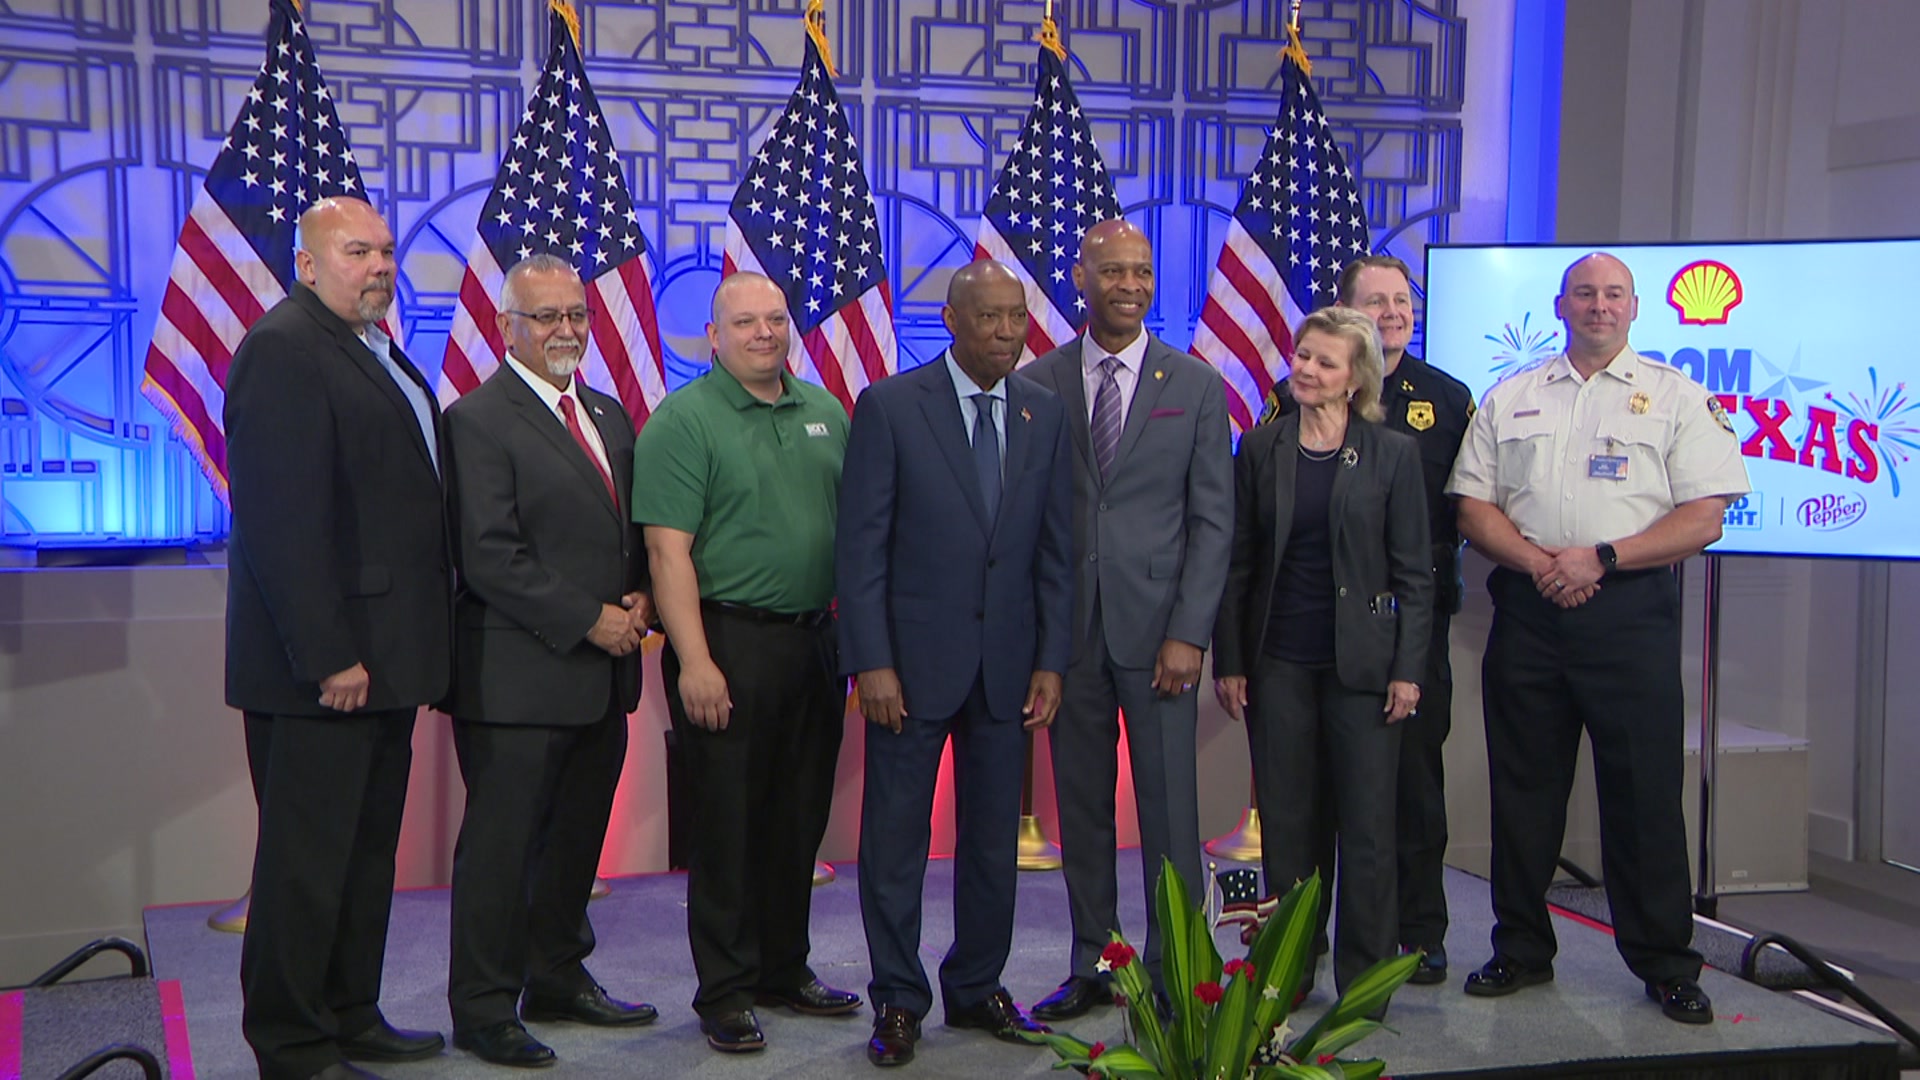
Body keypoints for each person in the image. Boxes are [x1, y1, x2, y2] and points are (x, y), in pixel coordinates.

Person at [1446, 252, 1749, 1024]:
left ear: (1635, 307)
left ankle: (1666, 963)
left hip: (1630, 615)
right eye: (1585, 292)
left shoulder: (1679, 398)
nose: (1599, 306)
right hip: (1529, 609)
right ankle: (1520, 948)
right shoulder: (1510, 395)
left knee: (1644, 796)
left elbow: (1704, 515)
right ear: (1561, 303)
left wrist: (1600, 559)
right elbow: (1474, 506)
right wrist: (1542, 563)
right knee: (1523, 791)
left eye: (1613, 294)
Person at [225, 196, 452, 1080]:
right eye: (358, 251)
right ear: (309, 266)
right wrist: (327, 655)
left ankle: (350, 1013)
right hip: (324, 670)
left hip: (388, 661)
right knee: (305, 870)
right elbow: (283, 525)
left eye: (387, 251)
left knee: (362, 860)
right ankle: (289, 1043)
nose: (380, 266)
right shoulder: (283, 349)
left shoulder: (372, 350)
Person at [837, 259, 1073, 1068]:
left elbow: (1055, 550)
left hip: (1008, 668)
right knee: (896, 840)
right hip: (909, 666)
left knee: (989, 843)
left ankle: (976, 986)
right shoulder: (893, 407)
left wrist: (1051, 658)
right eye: (991, 319)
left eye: (1017, 319)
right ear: (953, 321)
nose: (1008, 334)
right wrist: (871, 661)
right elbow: (861, 549)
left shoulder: (1044, 412)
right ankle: (899, 999)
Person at [631, 271, 860, 1055]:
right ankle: (725, 991)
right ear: (715, 336)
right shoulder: (683, 422)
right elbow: (667, 554)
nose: (765, 333)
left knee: (797, 819)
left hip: (815, 645)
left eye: (776, 319)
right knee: (727, 826)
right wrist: (693, 662)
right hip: (727, 642)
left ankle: (782, 969)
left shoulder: (827, 410)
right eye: (746, 323)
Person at [441, 255, 658, 1066]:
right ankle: (485, 1007)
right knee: (501, 853)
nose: (565, 330)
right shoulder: (475, 419)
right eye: (546, 317)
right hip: (516, 680)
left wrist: (639, 598)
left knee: (574, 843)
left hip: (604, 677)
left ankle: (558, 977)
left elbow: (626, 530)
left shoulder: (608, 411)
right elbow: (489, 555)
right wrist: (589, 620)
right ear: (507, 328)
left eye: (575, 315)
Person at [1021, 219, 1232, 1020]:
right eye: (1114, 272)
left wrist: (1190, 633)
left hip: (1160, 638)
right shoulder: (1038, 382)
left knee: (1171, 809)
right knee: (1082, 807)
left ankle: (1179, 967)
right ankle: (1095, 963)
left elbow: (1214, 523)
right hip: (1069, 636)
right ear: (1081, 278)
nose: (1131, 286)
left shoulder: (1196, 385)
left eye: (1143, 272)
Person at [1211, 306, 1432, 1000]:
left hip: (1365, 668)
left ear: (1354, 378)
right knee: (1289, 828)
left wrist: (1407, 671)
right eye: (1303, 356)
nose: (1305, 369)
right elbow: (1238, 562)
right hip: (1279, 662)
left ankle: (1364, 978)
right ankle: (1290, 969)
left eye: (1324, 362)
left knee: (1367, 830)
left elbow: (1415, 573)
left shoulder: (1393, 453)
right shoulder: (1262, 446)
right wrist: (1232, 658)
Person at [1265, 256, 1474, 985]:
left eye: (1401, 300)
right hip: (1298, 641)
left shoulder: (1445, 401)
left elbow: (1443, 530)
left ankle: (1411, 938)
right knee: (1303, 807)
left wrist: (1408, 657)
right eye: (1375, 301)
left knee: (1404, 796)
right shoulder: (1278, 420)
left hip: (1397, 636)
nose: (1392, 312)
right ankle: (1300, 947)